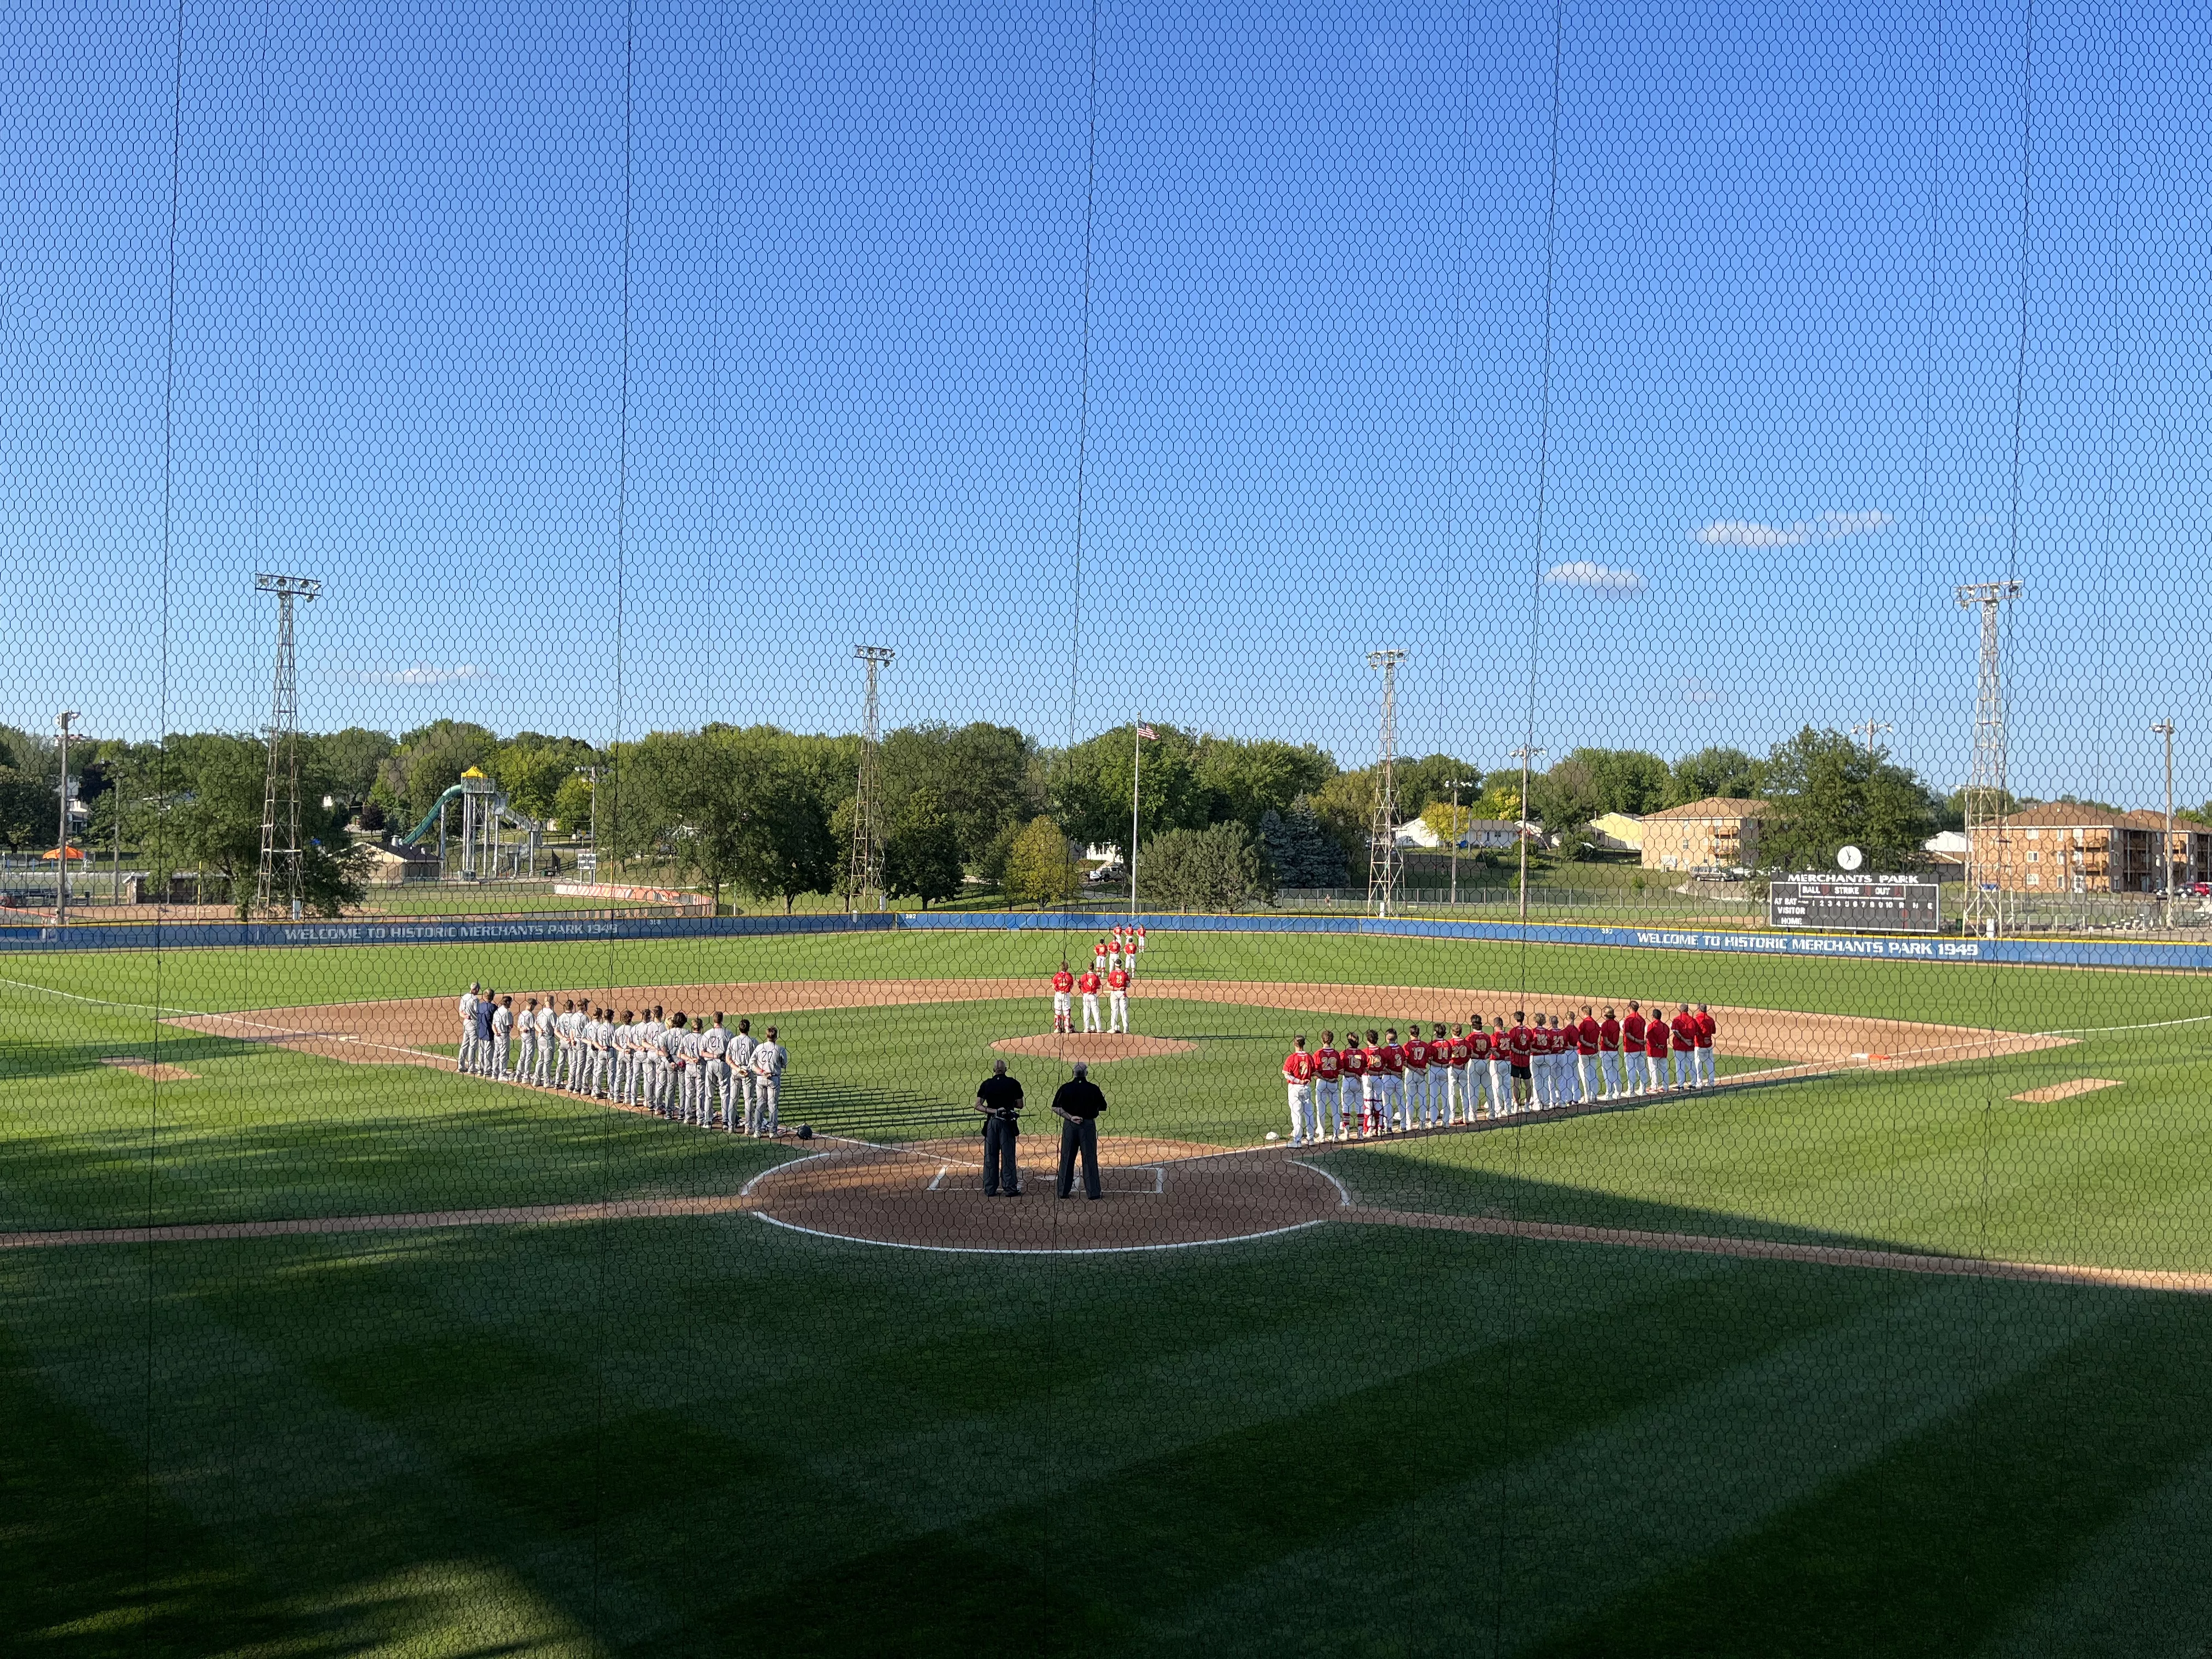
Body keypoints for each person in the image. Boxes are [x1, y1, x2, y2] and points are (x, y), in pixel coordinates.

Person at [1052, 1060, 1108, 1199]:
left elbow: (1055, 1108)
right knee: (1089, 1158)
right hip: (1088, 1126)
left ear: (1073, 1073)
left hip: (1070, 1126)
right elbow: (1103, 1107)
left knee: (1067, 1158)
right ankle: (1093, 1193)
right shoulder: (1093, 1088)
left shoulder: (1065, 1088)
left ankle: (1062, 1192)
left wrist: (1071, 1117)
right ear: (1086, 1073)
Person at [974, 1058, 1024, 1196]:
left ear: (993, 1070)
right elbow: (1020, 1105)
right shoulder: (1013, 1083)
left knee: (990, 1156)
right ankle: (1010, 1189)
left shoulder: (987, 1084)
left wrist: (994, 1110)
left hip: (992, 1123)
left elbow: (978, 1105)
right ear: (1006, 1070)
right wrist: (1008, 1105)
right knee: (1008, 1156)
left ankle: (990, 1189)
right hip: (1007, 1123)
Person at [1283, 1035, 1317, 1147]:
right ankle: (1311, 1139)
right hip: (1307, 1088)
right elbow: (1313, 1072)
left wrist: (1298, 1081)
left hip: (1295, 1088)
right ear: (1304, 1044)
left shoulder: (1292, 1058)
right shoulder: (1309, 1057)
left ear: (1294, 1044)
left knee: (1296, 1114)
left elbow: (1287, 1076)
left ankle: (1297, 1141)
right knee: (1309, 1113)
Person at [751, 1025, 786, 1134]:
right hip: (774, 1079)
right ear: (776, 1037)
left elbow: (752, 1064)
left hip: (761, 1078)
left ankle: (757, 1131)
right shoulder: (780, 1049)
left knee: (760, 1104)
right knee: (773, 1105)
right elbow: (784, 1064)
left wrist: (761, 1071)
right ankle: (773, 1132)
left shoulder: (759, 1047)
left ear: (766, 1036)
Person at [1314, 1030, 1346, 1141]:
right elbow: (1341, 1070)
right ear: (1332, 1040)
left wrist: (1325, 1078)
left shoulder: (1318, 1053)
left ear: (1322, 1039)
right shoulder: (1336, 1054)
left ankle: (1322, 1136)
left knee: (1321, 1111)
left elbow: (1315, 1072)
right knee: (1336, 1110)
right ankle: (1336, 1136)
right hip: (1334, 1083)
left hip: (1322, 1083)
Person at [728, 1018, 757, 1133]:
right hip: (748, 1072)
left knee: (733, 1099)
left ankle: (731, 1126)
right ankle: (748, 1127)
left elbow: (728, 1059)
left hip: (736, 1071)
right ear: (749, 1029)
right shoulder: (753, 1041)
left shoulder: (733, 1041)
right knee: (748, 1100)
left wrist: (737, 1069)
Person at [702, 1013, 730, 1127]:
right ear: (722, 1020)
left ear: (713, 1020)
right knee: (725, 1093)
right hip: (723, 1066)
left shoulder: (707, 1034)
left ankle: (707, 1120)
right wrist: (720, 1056)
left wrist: (714, 1056)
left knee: (709, 1094)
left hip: (710, 1064)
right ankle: (726, 1121)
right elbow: (732, 1051)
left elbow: (702, 1053)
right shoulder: (728, 1034)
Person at [1343, 1029, 1372, 1137]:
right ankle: (1360, 1134)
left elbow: (1341, 1071)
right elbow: (1365, 1069)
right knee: (1360, 1107)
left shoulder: (1345, 1053)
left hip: (1348, 1081)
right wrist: (1357, 1074)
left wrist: (1352, 1074)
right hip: (1359, 1082)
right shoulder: (1362, 1054)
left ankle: (1346, 1133)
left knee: (1346, 1107)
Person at [1401, 1026, 1430, 1129]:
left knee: (1410, 1099)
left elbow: (1404, 1062)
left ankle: (1409, 1125)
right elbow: (1428, 1059)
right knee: (1423, 1098)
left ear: (1410, 1033)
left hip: (1411, 1073)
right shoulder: (1425, 1045)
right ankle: (1423, 1124)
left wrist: (1415, 1069)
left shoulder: (1407, 1046)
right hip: (1422, 1072)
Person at [1508, 1011, 1533, 1112]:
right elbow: (1530, 1048)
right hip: (1526, 1062)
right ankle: (1527, 1105)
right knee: (1528, 1083)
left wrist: (1520, 1052)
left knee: (1515, 1084)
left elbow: (1512, 1048)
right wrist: (1525, 1052)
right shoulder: (1528, 1031)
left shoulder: (1512, 1031)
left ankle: (1516, 1105)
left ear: (1515, 1019)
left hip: (1515, 1061)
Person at [1428, 1024, 1452, 1128]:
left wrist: (1439, 1064)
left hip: (1434, 1070)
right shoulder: (1448, 1044)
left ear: (1435, 1033)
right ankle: (1446, 1122)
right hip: (1445, 1071)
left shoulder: (1432, 1044)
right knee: (1445, 1096)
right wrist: (1444, 1065)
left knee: (1433, 1096)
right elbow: (1451, 1058)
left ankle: (1433, 1122)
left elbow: (1429, 1060)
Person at [1622, 1003, 1647, 1097]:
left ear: (1630, 1007)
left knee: (1631, 1070)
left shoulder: (1629, 1019)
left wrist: (1637, 1041)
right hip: (1641, 1049)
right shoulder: (1642, 1019)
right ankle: (1643, 1090)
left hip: (1631, 1049)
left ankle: (1631, 1091)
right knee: (1642, 1069)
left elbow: (1628, 1034)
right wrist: (1641, 1042)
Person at [1644, 1001, 1671, 1091]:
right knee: (1664, 1069)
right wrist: (1661, 1045)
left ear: (1653, 1016)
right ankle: (1665, 1087)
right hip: (1663, 1050)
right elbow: (1666, 1037)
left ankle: (1654, 1087)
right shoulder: (1665, 1026)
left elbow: (1649, 1037)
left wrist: (1656, 1045)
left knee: (1653, 1069)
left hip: (1653, 1051)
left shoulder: (1651, 1026)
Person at [1577, 1006, 1602, 1103]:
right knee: (1593, 1074)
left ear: (1584, 1013)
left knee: (1585, 1076)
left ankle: (1587, 1098)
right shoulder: (1595, 1024)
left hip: (1584, 1053)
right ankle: (1594, 1096)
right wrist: (1592, 1045)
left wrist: (1589, 1045)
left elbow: (1581, 1040)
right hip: (1594, 1052)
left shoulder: (1583, 1024)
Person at [1671, 1005, 1699, 1091]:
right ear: (1688, 1010)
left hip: (1679, 1046)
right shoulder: (1693, 1020)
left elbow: (1676, 1032)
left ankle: (1681, 1085)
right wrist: (1689, 1040)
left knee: (1680, 1065)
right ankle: (1694, 1084)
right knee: (1691, 1064)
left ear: (1680, 1010)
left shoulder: (1677, 1019)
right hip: (1690, 1046)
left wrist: (1684, 1040)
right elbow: (1697, 1033)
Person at [1599, 1006, 1623, 1099]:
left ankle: (1609, 1094)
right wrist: (1614, 1046)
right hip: (1615, 1052)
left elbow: (1605, 1040)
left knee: (1607, 1072)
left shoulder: (1605, 1024)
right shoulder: (1617, 1024)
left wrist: (1612, 1046)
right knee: (1616, 1072)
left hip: (1606, 1051)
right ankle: (1619, 1093)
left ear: (1605, 1014)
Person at [533, 995, 557, 1087]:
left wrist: (540, 1030)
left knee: (541, 1059)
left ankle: (536, 1080)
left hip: (540, 1038)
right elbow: (556, 1028)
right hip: (548, 1039)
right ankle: (547, 1082)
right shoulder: (551, 1013)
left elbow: (536, 1025)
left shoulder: (541, 1012)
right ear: (552, 1002)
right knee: (548, 1061)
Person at [458, 983, 481, 1074]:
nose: (479, 991)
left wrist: (466, 1016)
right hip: (474, 1023)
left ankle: (461, 1066)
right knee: (473, 1046)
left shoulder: (464, 997)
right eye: (478, 989)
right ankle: (472, 1067)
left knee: (464, 1044)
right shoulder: (475, 999)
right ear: (475, 989)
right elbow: (478, 1012)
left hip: (466, 1022)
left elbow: (461, 1012)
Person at [490, 995, 514, 1081]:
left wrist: (496, 1033)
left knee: (496, 1054)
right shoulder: (507, 1012)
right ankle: (502, 1075)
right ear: (507, 1002)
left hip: (496, 1035)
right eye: (510, 1002)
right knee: (504, 1055)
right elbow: (510, 1025)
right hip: (504, 1035)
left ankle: (494, 1073)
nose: (511, 1004)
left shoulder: (497, 1011)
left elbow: (493, 1025)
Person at [516, 997, 539, 1084]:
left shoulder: (522, 1014)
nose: (534, 1008)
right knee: (529, 1056)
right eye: (534, 1006)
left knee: (523, 1055)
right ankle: (526, 1077)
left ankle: (518, 1075)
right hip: (530, 1036)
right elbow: (534, 1026)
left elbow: (519, 1027)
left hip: (523, 1036)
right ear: (531, 1005)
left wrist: (523, 1030)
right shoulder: (530, 1015)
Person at [1695, 1003, 1718, 1086]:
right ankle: (1711, 1082)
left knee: (1698, 1063)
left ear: (1699, 1009)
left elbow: (1695, 1032)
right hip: (1709, 1045)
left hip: (1699, 1045)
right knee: (1710, 1063)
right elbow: (1714, 1031)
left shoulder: (1697, 1019)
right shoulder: (1711, 1019)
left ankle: (1699, 1083)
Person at [1105, 963, 1132, 1033]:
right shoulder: (1125, 974)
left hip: (1114, 993)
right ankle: (1126, 1029)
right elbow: (1128, 985)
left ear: (1115, 965)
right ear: (1121, 965)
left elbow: (1108, 986)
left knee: (1114, 1011)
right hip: (1122, 993)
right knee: (1124, 1011)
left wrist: (1117, 988)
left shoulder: (1112, 973)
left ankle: (1113, 1028)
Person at [1051, 962, 1075, 1035]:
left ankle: (1057, 1027)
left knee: (1058, 1011)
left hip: (1058, 994)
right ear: (1067, 968)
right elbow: (1071, 986)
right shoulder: (1069, 976)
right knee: (1066, 1011)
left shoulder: (1057, 975)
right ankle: (1067, 1028)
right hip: (1066, 995)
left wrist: (1058, 990)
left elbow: (1053, 986)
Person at [1079, 968, 1104, 1034]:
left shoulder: (1084, 976)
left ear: (1088, 968)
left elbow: (1079, 984)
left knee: (1086, 1012)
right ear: (1093, 968)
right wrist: (1094, 986)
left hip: (1086, 995)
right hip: (1093, 995)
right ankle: (1099, 1029)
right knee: (1096, 1012)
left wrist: (1084, 989)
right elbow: (1099, 987)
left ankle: (1086, 1029)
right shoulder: (1095, 977)